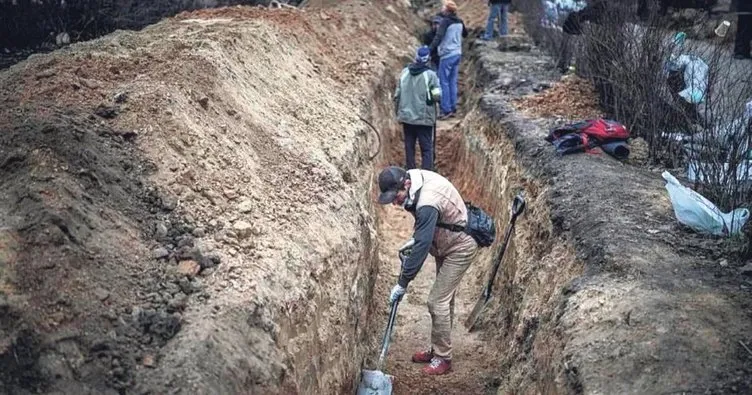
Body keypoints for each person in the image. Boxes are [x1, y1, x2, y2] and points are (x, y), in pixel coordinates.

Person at [376, 166, 480, 376]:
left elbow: (423, 246)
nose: (395, 203)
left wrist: (402, 283)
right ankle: (438, 349)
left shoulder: (427, 201)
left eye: (396, 197)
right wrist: (415, 239)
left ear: (405, 185)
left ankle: (443, 358)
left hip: (459, 247)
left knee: (437, 301)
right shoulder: (414, 181)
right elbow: (424, 231)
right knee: (444, 299)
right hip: (446, 240)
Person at [394, 46, 442, 170]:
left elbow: (397, 95)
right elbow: (436, 96)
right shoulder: (431, 75)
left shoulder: (404, 73)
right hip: (424, 119)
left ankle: (410, 171)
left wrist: (398, 113)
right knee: (426, 148)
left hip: (407, 118)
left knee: (409, 146)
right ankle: (427, 174)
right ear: (428, 59)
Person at [429, 0, 468, 120]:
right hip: (457, 53)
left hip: (447, 55)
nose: (441, 9)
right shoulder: (459, 21)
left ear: (446, 10)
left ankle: (446, 110)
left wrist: (430, 50)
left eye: (443, 7)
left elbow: (438, 37)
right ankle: (453, 107)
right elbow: (465, 34)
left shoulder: (445, 22)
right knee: (452, 81)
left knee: (443, 82)